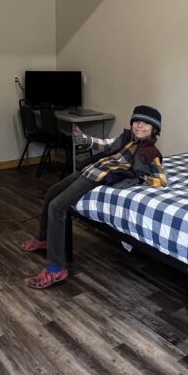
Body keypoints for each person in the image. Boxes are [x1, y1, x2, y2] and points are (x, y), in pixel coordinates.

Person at [20, 105, 167, 289]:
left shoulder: (151, 153)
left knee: (57, 207)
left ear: (154, 129)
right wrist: (84, 139)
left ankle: (56, 267)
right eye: (137, 121)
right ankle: (43, 239)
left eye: (145, 124)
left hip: (96, 176)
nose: (139, 126)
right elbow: (106, 144)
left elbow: (161, 179)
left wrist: (143, 180)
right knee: (51, 192)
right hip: (90, 168)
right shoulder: (126, 137)